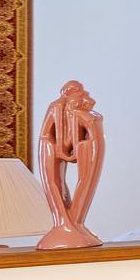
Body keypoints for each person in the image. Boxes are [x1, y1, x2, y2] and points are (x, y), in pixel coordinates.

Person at [36, 80, 105, 249]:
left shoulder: (88, 115)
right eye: (74, 93)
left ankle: (75, 223)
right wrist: (58, 150)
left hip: (86, 145)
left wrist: (79, 145)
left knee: (86, 180)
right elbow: (46, 133)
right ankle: (62, 223)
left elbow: (94, 125)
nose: (78, 96)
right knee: (53, 182)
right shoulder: (55, 107)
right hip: (49, 144)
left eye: (80, 93)